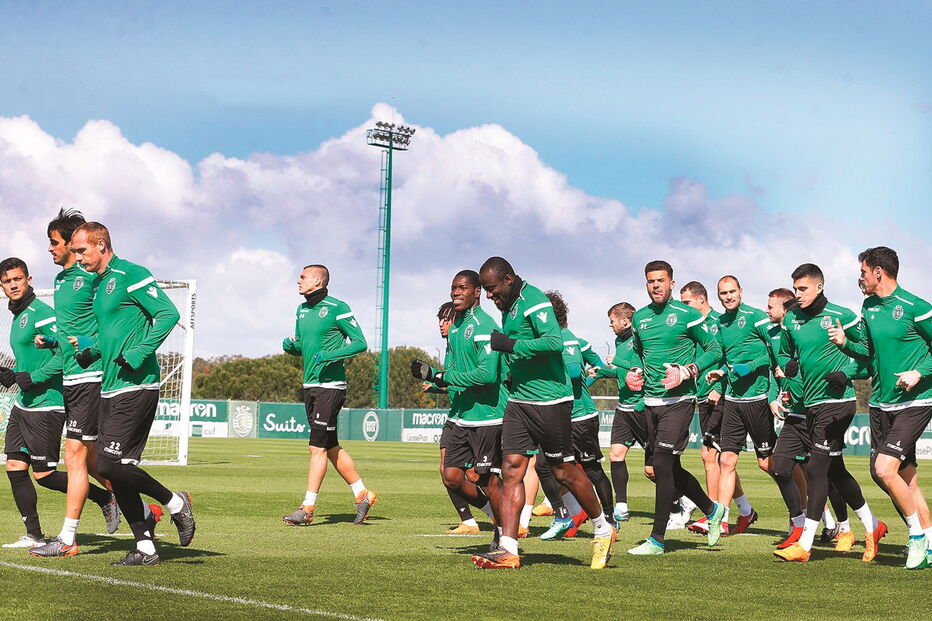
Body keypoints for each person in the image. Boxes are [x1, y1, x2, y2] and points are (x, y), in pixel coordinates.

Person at [470, 257, 615, 570]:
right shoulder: (507, 305)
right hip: (519, 400)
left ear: (508, 279)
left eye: (492, 289)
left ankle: (603, 526)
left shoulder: (534, 300)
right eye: (486, 290)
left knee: (563, 470)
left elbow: (553, 342)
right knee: (511, 469)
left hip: (550, 401)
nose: (490, 296)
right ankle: (508, 549)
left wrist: (510, 344)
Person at [68, 222, 195, 565]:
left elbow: (168, 314)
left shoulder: (131, 273)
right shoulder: (98, 285)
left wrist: (140, 352)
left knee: (108, 463)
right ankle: (146, 548)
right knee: (115, 468)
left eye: (82, 250)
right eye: (75, 251)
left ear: (102, 245)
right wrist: (91, 350)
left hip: (137, 385)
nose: (77, 257)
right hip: (109, 387)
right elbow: (111, 332)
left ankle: (175, 503)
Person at [27, 209, 125, 557]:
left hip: (92, 378)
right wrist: (53, 341)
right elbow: (73, 328)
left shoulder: (94, 279)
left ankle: (67, 539)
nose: (50, 249)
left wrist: (93, 347)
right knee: (97, 464)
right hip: (72, 379)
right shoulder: (59, 281)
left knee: (74, 457)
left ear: (72, 243)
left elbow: (108, 323)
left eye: (54, 243)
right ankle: (154, 509)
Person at [829, 247, 932, 569]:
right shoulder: (868, 307)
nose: (859, 278)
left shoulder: (916, 307)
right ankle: (929, 540)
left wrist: (921, 372)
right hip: (880, 403)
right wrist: (846, 344)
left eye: (862, 272)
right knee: (906, 479)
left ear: (878, 272)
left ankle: (915, 537)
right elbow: (869, 356)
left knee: (883, 469)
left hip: (914, 402)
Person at [773, 263, 883, 563]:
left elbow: (867, 353)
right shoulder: (792, 318)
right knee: (835, 470)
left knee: (815, 470)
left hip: (839, 404)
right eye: (795, 289)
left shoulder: (843, 315)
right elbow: (783, 352)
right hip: (808, 404)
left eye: (803, 289)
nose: (798, 294)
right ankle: (873, 526)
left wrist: (847, 374)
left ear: (820, 287)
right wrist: (789, 365)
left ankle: (805, 545)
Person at [610, 260, 722, 555]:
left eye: (661, 280)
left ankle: (657, 539)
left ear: (672, 283)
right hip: (650, 402)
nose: (655, 285)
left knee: (659, 464)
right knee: (669, 466)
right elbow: (636, 353)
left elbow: (715, 349)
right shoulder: (641, 318)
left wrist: (689, 370)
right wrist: (634, 372)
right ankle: (712, 510)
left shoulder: (687, 315)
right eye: (650, 281)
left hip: (680, 401)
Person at [412, 269, 506, 553]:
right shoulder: (455, 328)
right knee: (451, 476)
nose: (456, 292)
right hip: (459, 416)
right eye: (453, 288)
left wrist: (440, 377)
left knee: (487, 479)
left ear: (477, 292)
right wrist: (437, 378)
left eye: (463, 288)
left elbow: (487, 375)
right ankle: (496, 516)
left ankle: (504, 533)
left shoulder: (486, 325)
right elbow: (455, 373)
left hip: (487, 416)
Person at [281, 264, 376, 527]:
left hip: (331, 387)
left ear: (318, 282)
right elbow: (303, 344)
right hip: (310, 385)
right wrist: (292, 347)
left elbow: (360, 343)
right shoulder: (301, 310)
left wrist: (329, 355)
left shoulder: (338, 307)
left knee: (317, 447)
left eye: (303, 277)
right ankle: (363, 494)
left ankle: (307, 508)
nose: (298, 281)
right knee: (330, 446)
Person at [704, 276, 784, 546]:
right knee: (726, 461)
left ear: (741, 292)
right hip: (733, 401)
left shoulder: (756, 317)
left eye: (731, 291)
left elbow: (773, 355)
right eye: (723, 293)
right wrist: (720, 373)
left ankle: (806, 513)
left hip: (758, 400)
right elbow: (724, 358)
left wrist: (750, 367)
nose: (728, 296)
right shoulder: (718, 324)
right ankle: (721, 520)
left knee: (768, 464)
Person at [0, 257, 71, 549]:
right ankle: (34, 534)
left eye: (18, 279)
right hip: (24, 403)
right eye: (7, 281)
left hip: (47, 403)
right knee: (14, 466)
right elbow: (28, 361)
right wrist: (13, 376)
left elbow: (63, 353)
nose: (13, 285)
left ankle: (108, 498)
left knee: (44, 475)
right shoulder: (18, 316)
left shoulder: (41, 312)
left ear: (29, 280)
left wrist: (32, 377)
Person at [534, 290, 613, 541]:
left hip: (579, 417)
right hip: (560, 417)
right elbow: (597, 366)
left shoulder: (566, 339)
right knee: (549, 466)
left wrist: (583, 383)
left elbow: (576, 370)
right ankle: (567, 514)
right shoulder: (553, 340)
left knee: (590, 469)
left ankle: (609, 520)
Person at [679, 282, 754, 535]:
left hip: (719, 396)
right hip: (701, 395)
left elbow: (725, 355)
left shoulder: (717, 322)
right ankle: (744, 510)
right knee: (723, 460)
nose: (683, 308)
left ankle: (713, 515)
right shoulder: (693, 326)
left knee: (712, 457)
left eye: (687, 303)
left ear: (701, 300)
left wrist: (719, 387)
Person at [426, 301, 483, 534]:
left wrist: (441, 379)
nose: (441, 324)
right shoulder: (450, 347)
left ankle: (503, 511)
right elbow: (453, 381)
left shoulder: (467, 342)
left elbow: (475, 377)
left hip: (476, 416)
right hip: (455, 415)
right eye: (439, 320)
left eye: (445, 320)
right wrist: (437, 386)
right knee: (446, 469)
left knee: (473, 474)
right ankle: (468, 521)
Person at [593, 302, 646, 524]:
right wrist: (603, 372)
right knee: (616, 455)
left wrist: (615, 361)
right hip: (623, 407)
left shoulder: (641, 338)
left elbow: (640, 367)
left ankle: (678, 501)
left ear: (625, 321)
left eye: (612, 321)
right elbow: (623, 373)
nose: (611, 326)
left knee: (654, 468)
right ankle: (621, 505)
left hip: (642, 406)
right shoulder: (618, 340)